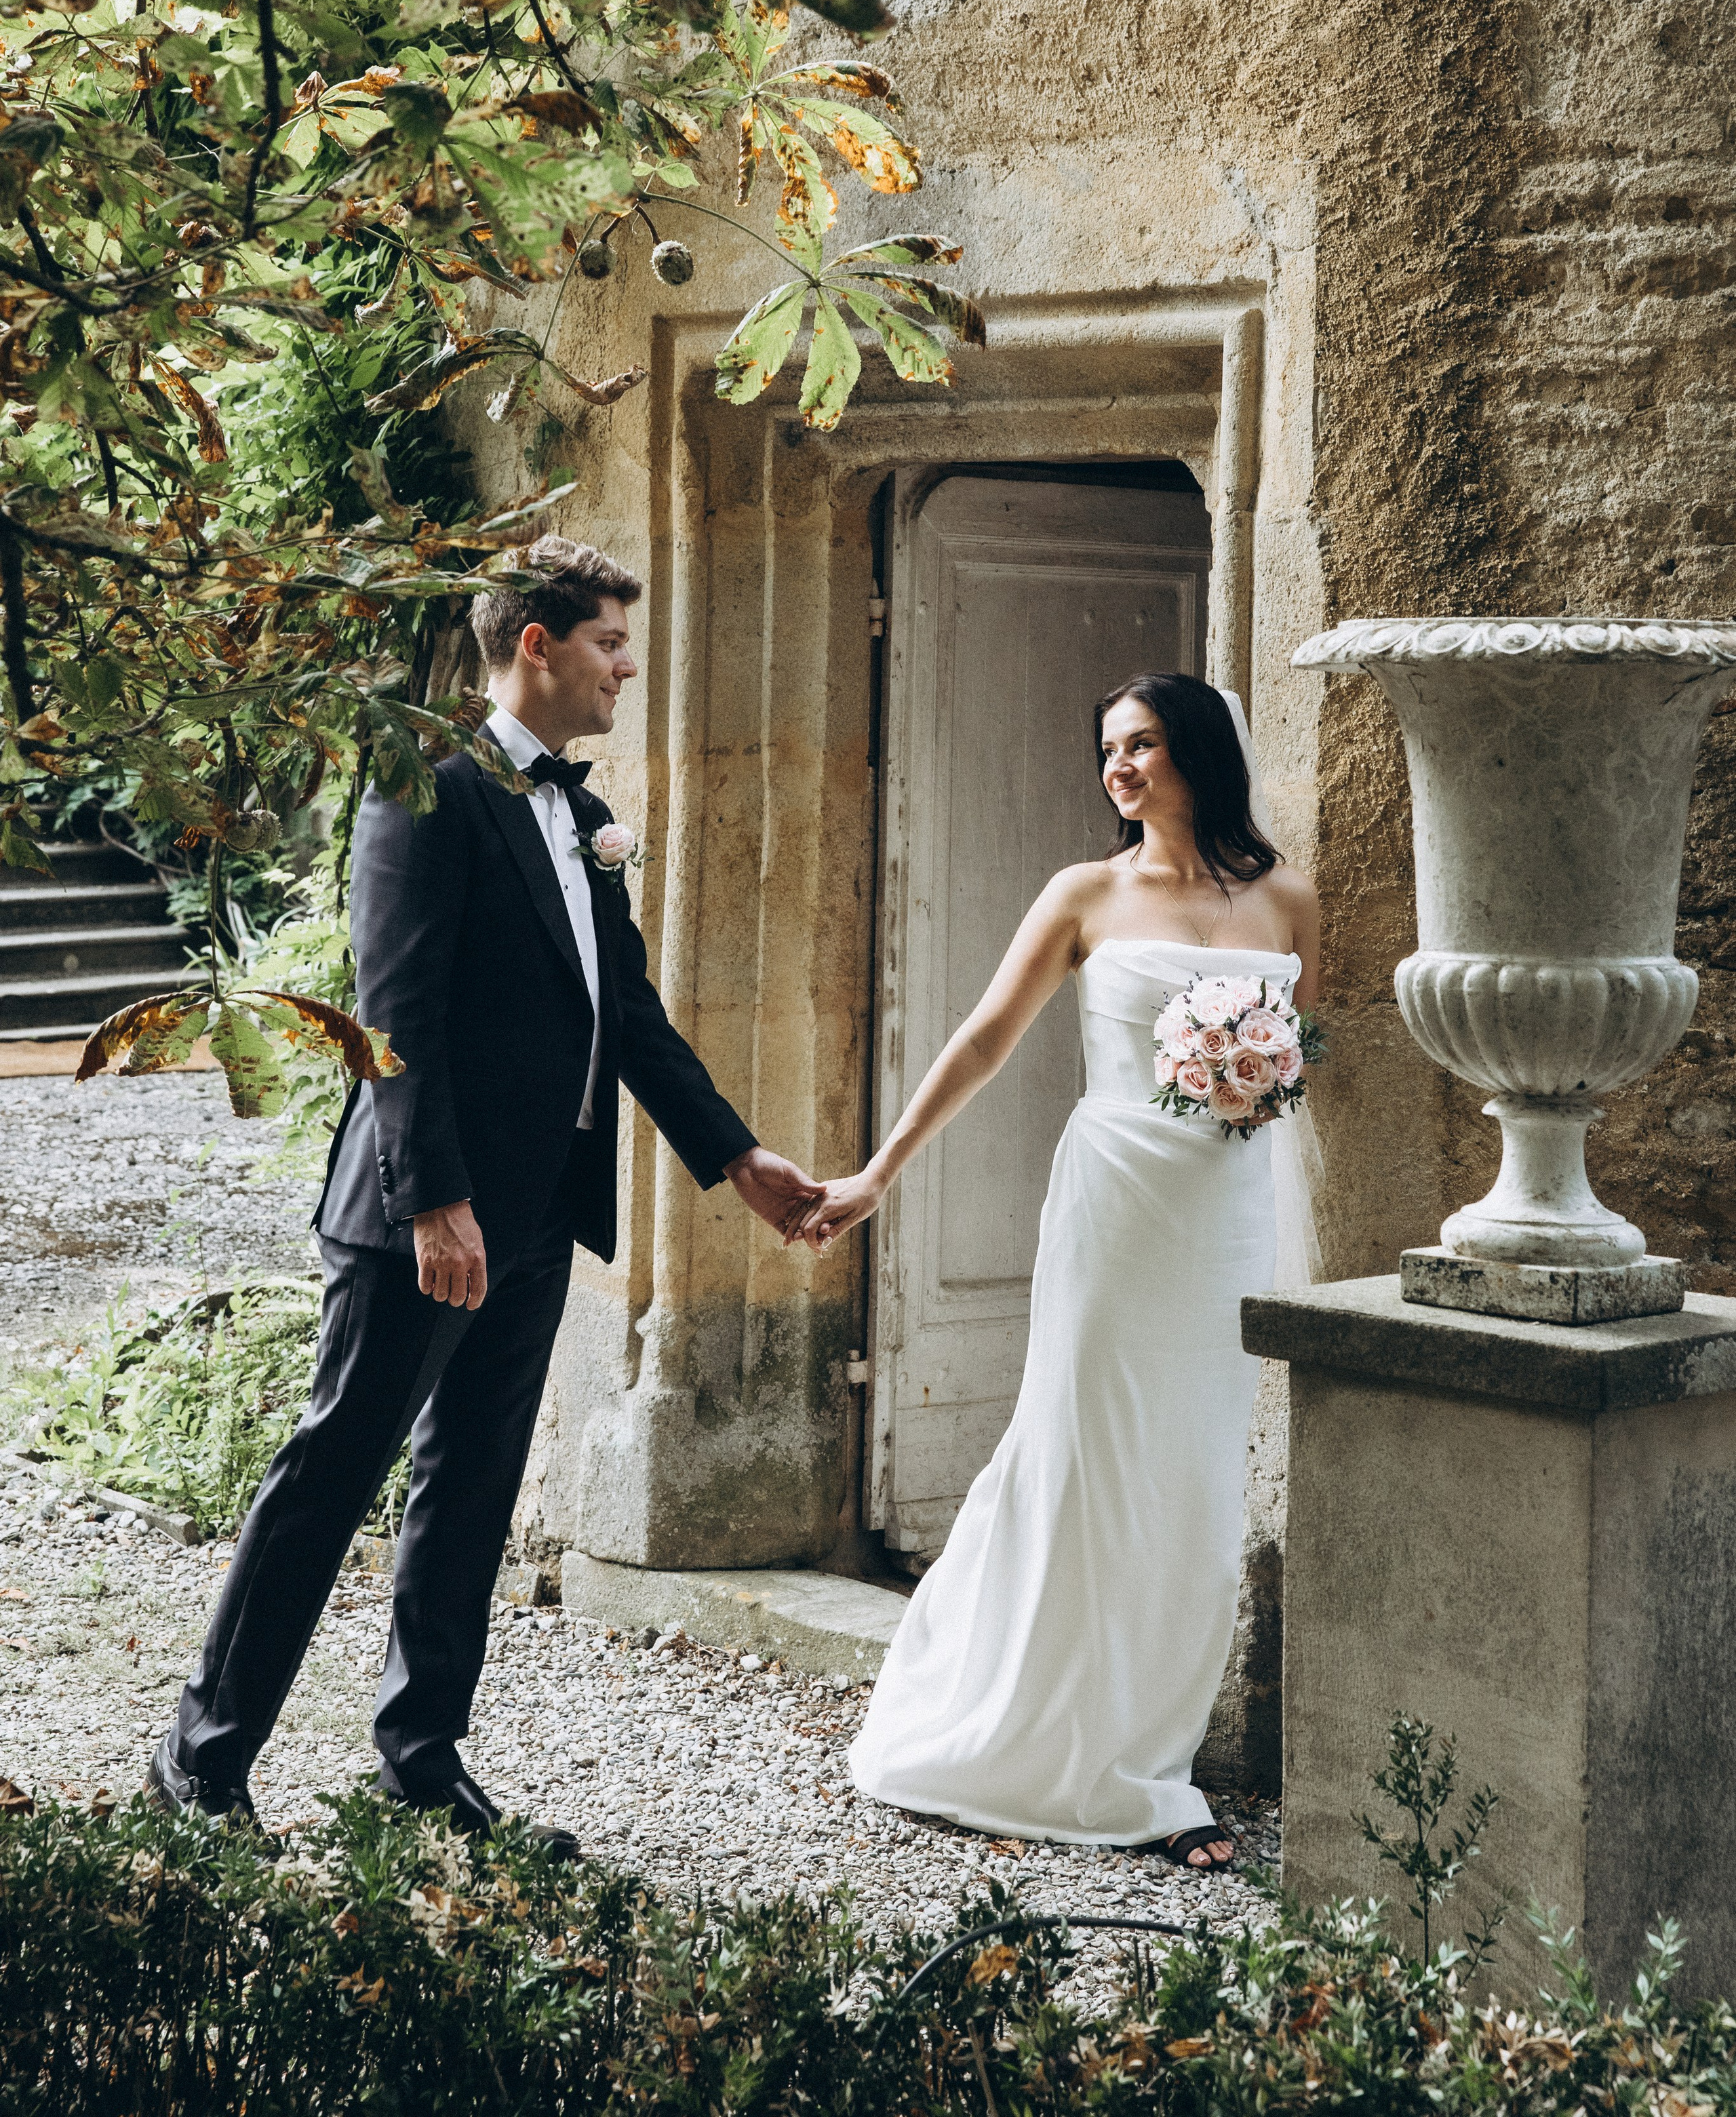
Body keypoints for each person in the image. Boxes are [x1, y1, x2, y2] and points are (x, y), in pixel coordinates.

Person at [149, 537, 821, 1849]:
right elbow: (394, 1016)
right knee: (333, 1472)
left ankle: (420, 1765)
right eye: (611, 643)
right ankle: (202, 1760)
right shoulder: (428, 785)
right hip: (425, 1217)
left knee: (470, 1487)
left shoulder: (576, 812)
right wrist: (432, 1204)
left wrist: (739, 1159)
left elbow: (627, 1014)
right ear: (536, 644)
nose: (629, 667)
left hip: (538, 1213)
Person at [792, 673, 1318, 1870]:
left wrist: (1254, 1079)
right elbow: (985, 1036)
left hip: (1228, 1214)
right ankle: (1010, 1731)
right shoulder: (1084, 893)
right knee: (1079, 1454)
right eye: (1108, 750)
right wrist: (878, 1173)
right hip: (1117, 1202)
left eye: (1142, 744)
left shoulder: (1288, 898)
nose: (1118, 767)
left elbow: (1304, 1060)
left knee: (1195, 1482)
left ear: (1199, 751)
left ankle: (1151, 1765)